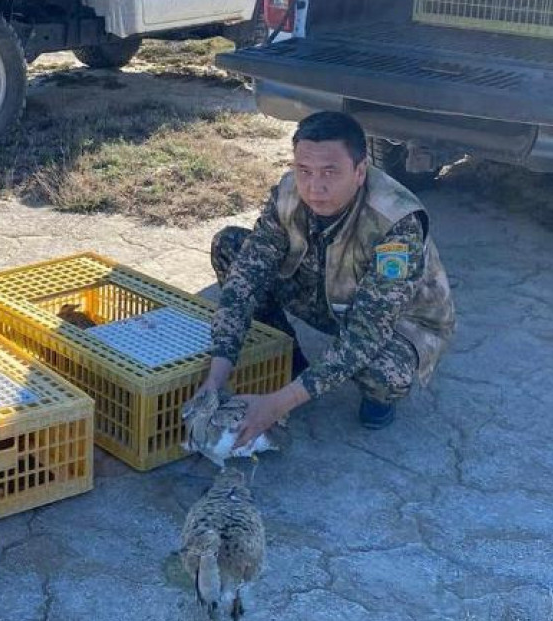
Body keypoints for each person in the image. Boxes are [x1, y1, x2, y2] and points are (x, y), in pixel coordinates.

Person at [194, 111, 455, 441]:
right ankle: (291, 361)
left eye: (331, 171)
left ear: (360, 172)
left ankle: (373, 399)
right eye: (305, 170)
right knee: (231, 247)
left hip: (397, 318)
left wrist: (278, 404)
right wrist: (217, 375)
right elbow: (247, 276)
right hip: (329, 291)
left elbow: (366, 333)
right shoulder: (289, 193)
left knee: (383, 375)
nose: (315, 187)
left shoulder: (396, 221)